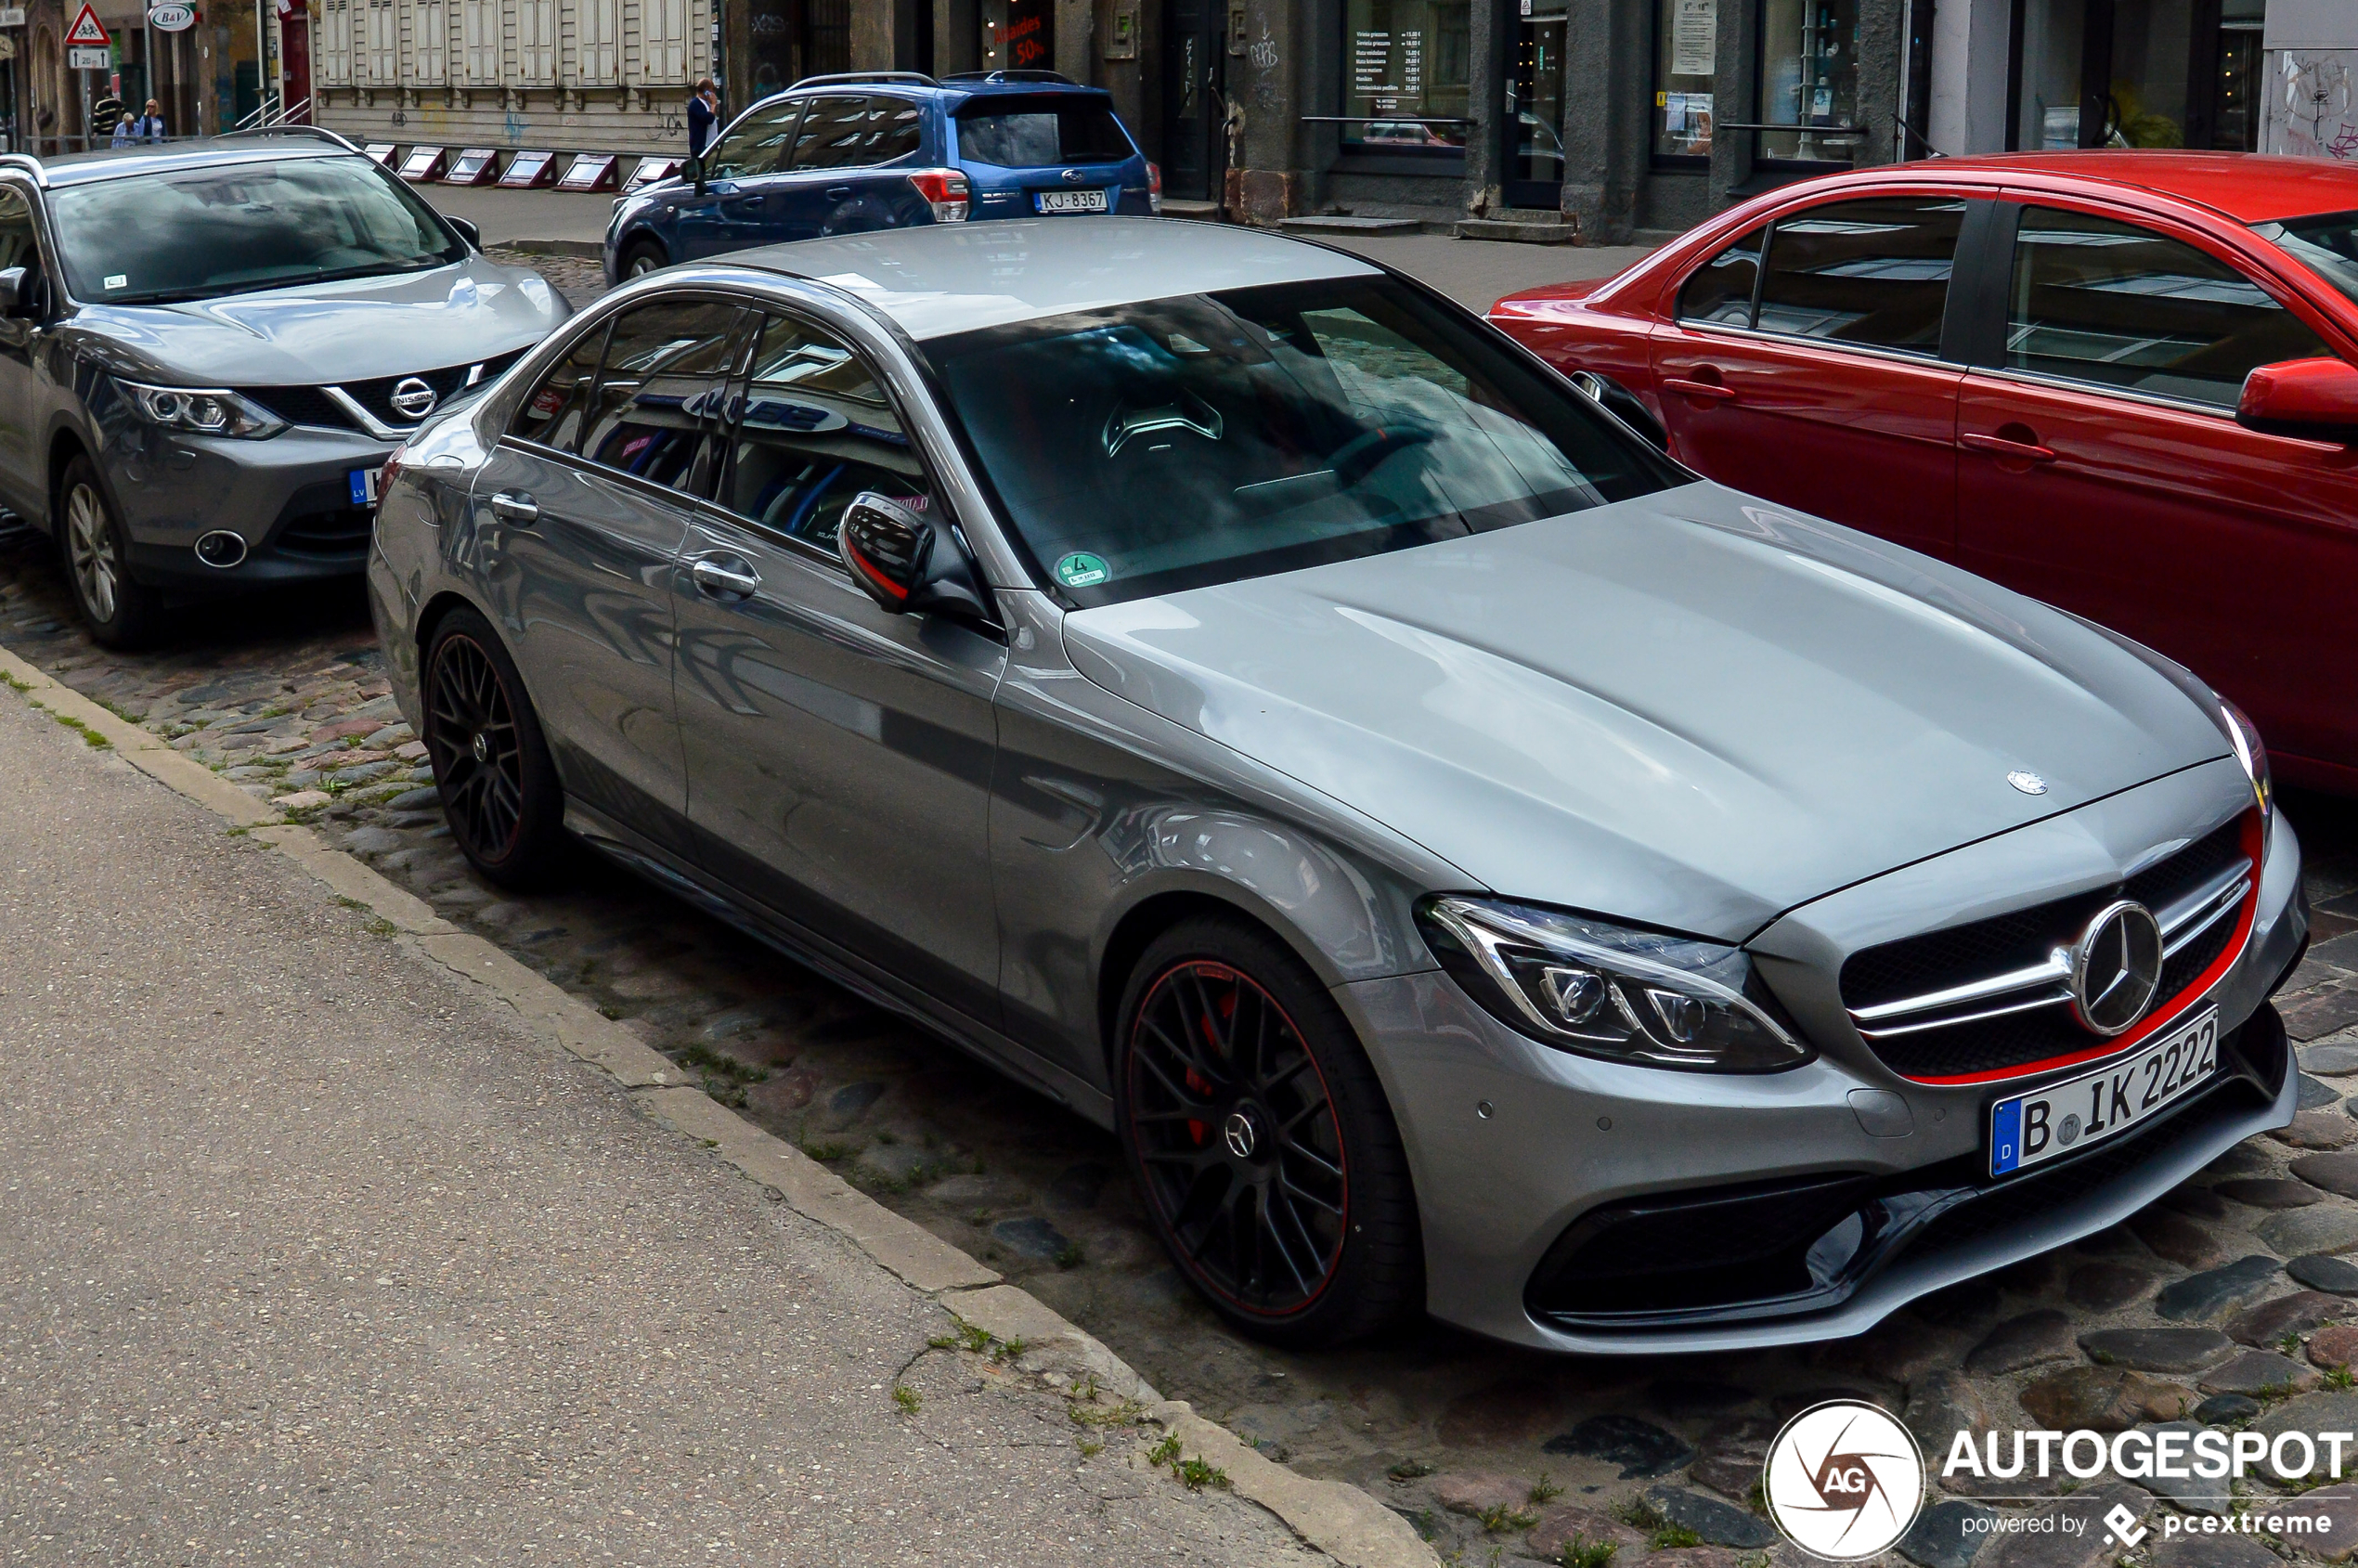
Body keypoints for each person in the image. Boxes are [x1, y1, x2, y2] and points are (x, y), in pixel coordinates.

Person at [686, 78, 719, 193]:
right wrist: (714, 104)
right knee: (700, 178)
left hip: (709, 145)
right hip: (700, 147)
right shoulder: (696, 104)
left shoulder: (705, 104)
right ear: (706, 91)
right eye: (712, 90)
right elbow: (708, 119)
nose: (714, 93)